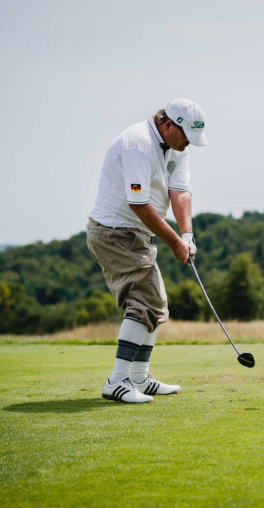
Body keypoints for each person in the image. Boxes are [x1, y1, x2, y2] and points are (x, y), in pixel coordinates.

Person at [86, 98, 208, 403]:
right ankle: (118, 381)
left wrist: (187, 234)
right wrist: (174, 244)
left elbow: (179, 192)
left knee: (155, 303)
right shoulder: (137, 143)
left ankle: (139, 377)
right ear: (168, 125)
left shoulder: (176, 147)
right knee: (146, 301)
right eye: (186, 137)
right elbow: (138, 204)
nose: (188, 145)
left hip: (136, 234)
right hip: (114, 232)